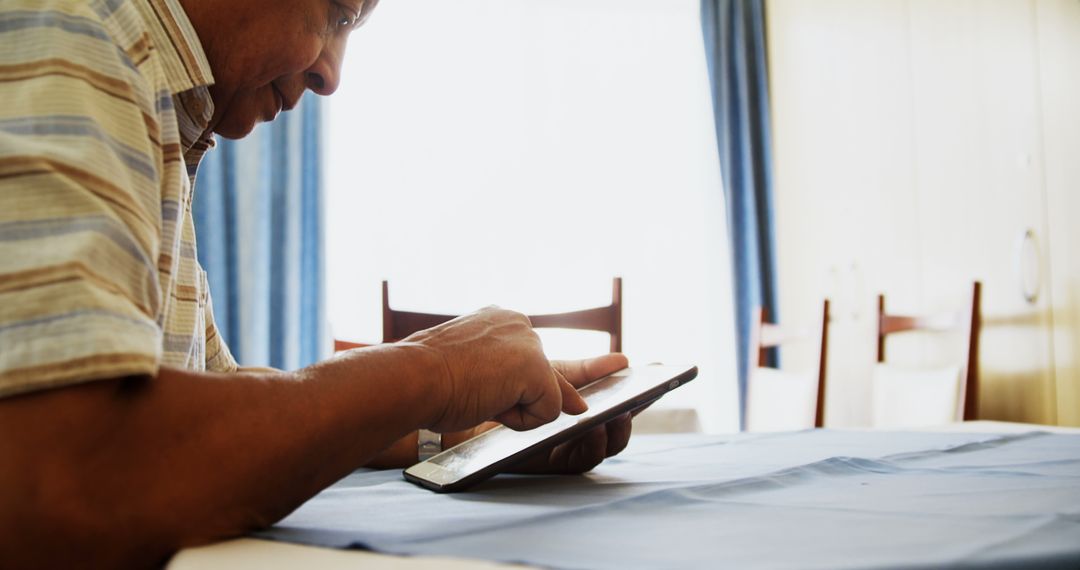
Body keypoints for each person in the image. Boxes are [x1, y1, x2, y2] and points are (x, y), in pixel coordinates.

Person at [0, 0, 636, 567]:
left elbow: (211, 410)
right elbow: (70, 481)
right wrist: (436, 371)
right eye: (339, 12)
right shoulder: (77, 29)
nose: (332, 75)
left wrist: (468, 436)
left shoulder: (155, 106)